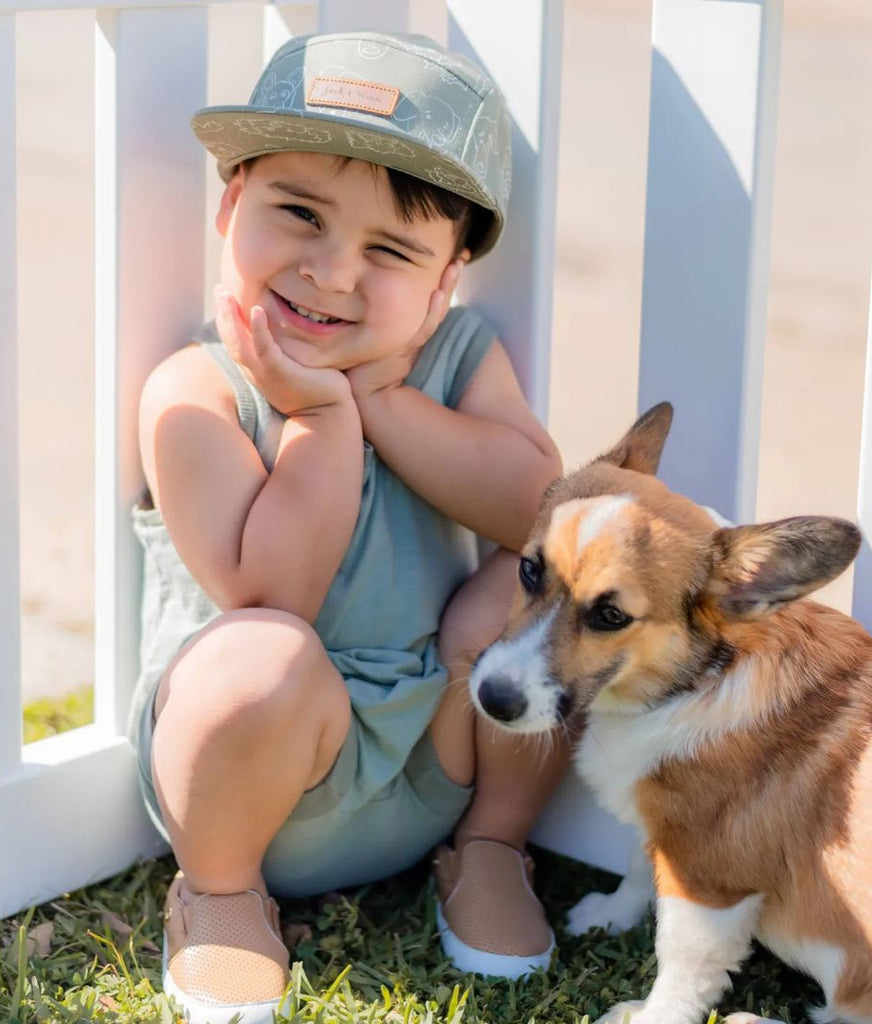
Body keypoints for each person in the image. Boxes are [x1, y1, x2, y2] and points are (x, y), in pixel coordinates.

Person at [127, 29, 567, 1024]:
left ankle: (493, 847)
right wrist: (321, 415)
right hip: (260, 790)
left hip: (435, 756)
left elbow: (532, 508)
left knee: (540, 587)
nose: (331, 274)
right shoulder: (198, 392)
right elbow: (274, 596)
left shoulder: (451, 355)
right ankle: (223, 897)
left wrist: (386, 399)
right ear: (231, 207)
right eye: (299, 215)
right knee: (260, 657)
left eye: (389, 251)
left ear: (443, 282)